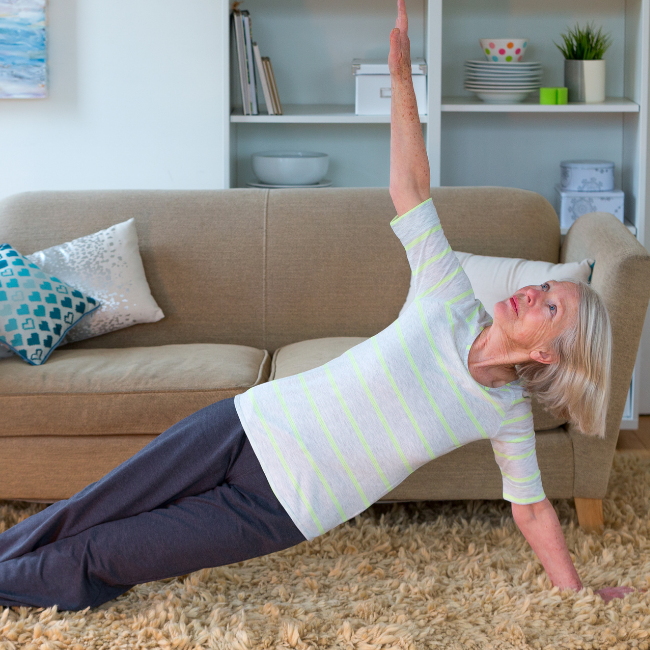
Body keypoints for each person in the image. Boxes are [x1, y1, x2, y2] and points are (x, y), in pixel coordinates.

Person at [0, 0, 618, 612]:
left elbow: (532, 508)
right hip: (242, 425)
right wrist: (402, 78)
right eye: (543, 288)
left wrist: (576, 590)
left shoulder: (505, 411)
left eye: (550, 307)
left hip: (279, 507)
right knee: (93, 506)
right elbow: (409, 188)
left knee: (107, 557)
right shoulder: (450, 297)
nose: (533, 292)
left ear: (545, 350)